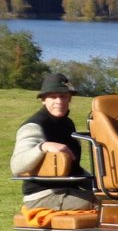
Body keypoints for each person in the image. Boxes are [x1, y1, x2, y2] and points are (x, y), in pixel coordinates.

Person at [11, 72, 95, 210]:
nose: (59, 101)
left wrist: (102, 186)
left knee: (114, 199)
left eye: (63, 96)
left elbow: (75, 169)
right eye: (53, 97)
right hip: (42, 196)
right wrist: (43, 147)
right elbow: (17, 167)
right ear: (43, 100)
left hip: (70, 191)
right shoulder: (33, 126)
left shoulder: (68, 124)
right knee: (107, 206)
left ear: (70, 98)